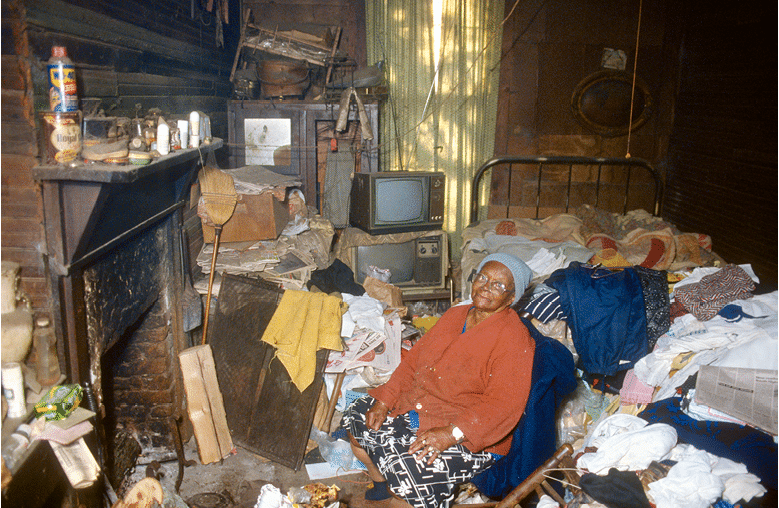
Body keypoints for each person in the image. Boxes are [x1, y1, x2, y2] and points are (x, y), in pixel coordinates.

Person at [342, 253, 536, 508]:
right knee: (359, 413)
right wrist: (385, 399)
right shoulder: (457, 315)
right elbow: (413, 362)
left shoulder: (514, 339)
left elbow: (503, 406)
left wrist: (451, 433)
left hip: (469, 432)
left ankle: (399, 496)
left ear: (512, 298)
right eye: (483, 277)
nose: (486, 287)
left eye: (498, 285)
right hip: (422, 406)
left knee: (410, 476)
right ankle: (382, 487)